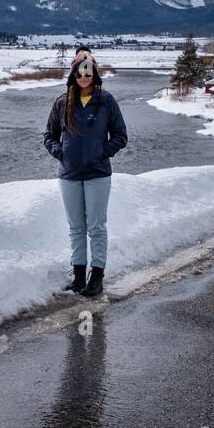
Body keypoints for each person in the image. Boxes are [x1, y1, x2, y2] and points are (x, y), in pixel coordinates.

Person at [42, 49, 127, 297]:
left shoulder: (106, 101)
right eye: (79, 72)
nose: (83, 77)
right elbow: (48, 135)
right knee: (76, 227)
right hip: (68, 175)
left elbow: (121, 136)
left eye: (88, 72)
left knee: (96, 227)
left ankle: (96, 277)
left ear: (94, 74)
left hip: (98, 174)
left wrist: (102, 152)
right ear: (73, 74)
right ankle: (78, 276)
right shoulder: (62, 102)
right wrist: (61, 153)